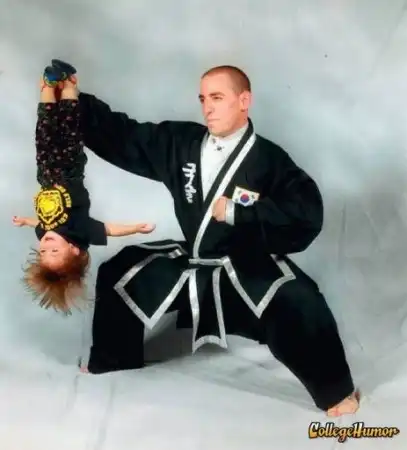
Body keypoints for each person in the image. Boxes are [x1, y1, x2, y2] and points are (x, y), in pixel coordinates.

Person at [75, 62, 359, 416]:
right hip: (194, 259)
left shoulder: (269, 159)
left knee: (299, 299)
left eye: (217, 98)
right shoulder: (182, 143)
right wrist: (73, 103)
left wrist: (240, 212)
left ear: (244, 101)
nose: (207, 108)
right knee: (120, 273)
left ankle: (336, 393)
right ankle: (112, 360)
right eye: (203, 99)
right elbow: (125, 136)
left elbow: (306, 212)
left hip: (245, 266)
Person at [12, 61, 155, 314]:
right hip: (69, 168)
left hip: (45, 169)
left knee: (44, 129)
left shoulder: (44, 231)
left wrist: (25, 221)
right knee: (68, 127)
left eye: (43, 251)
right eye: (54, 250)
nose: (46, 244)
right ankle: (68, 85)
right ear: (74, 249)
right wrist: (135, 228)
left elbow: (40, 223)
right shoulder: (80, 231)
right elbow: (110, 229)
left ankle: (48, 86)